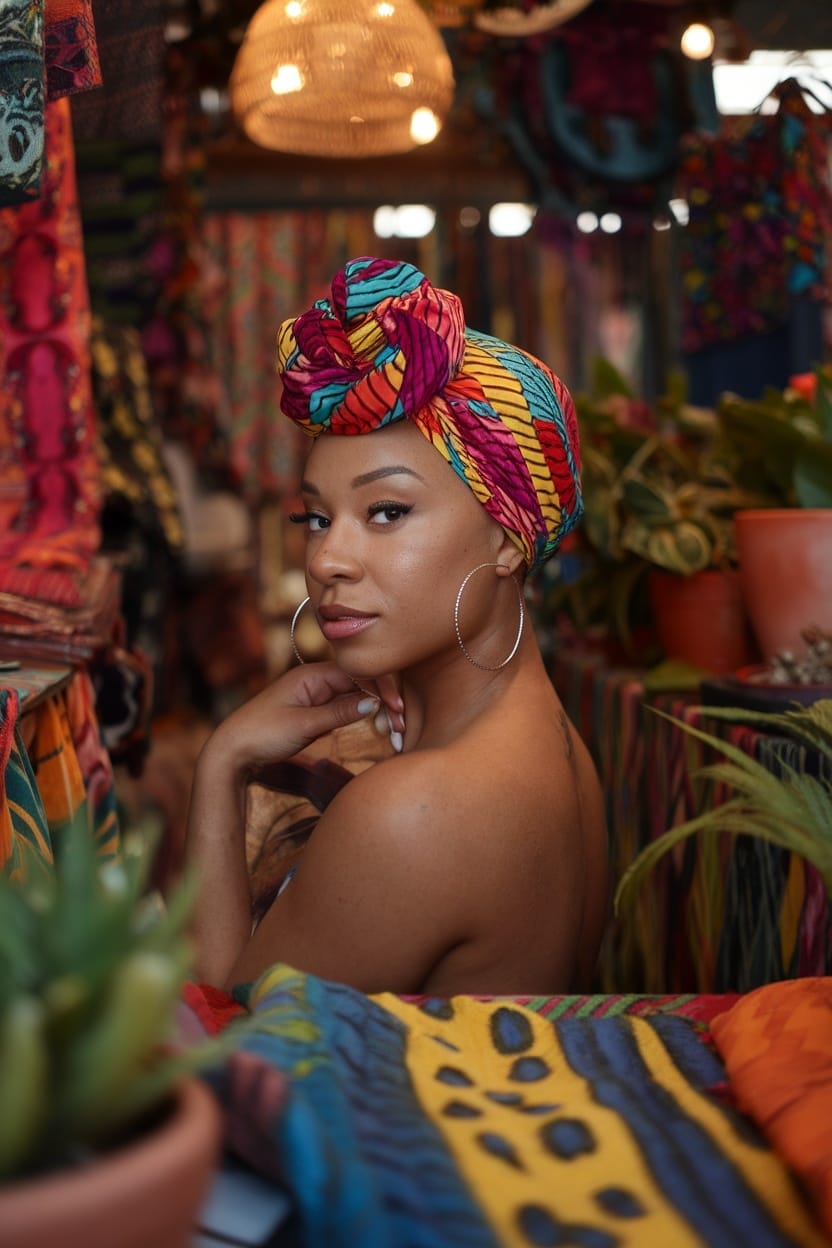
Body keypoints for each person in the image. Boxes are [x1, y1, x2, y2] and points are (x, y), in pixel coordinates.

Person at [185, 256, 609, 996]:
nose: (327, 559)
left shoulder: (415, 812)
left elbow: (220, 1032)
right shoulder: (555, 749)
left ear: (509, 541)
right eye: (317, 517)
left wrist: (222, 764)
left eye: (387, 511)